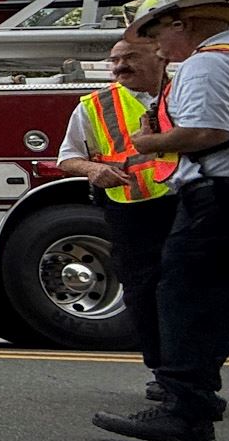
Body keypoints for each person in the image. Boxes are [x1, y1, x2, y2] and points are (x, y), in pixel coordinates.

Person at [92, 0, 229, 441]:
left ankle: (186, 414)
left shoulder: (209, 61)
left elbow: (205, 130)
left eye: (157, 34)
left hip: (225, 200)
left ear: (182, 23)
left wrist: (148, 142)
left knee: (187, 302)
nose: (157, 47)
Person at [56, 35, 175, 390]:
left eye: (130, 57)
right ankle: (164, 374)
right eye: (115, 60)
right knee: (143, 291)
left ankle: (193, 376)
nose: (120, 66)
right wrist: (93, 171)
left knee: (193, 291)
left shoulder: (187, 91)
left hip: (190, 205)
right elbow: (68, 157)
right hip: (133, 211)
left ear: (161, 57)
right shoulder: (95, 105)